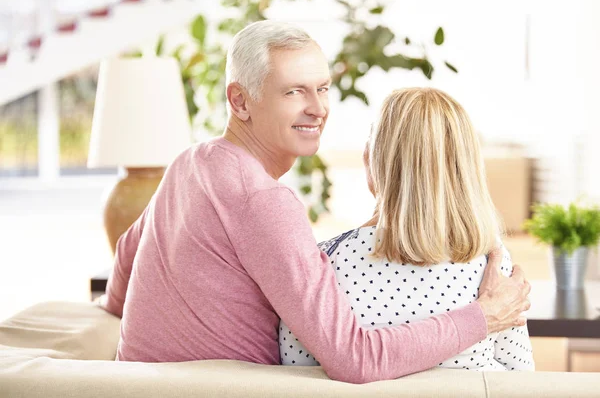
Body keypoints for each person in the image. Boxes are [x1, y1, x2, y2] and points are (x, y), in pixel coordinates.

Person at [101, 20, 531, 384]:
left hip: (135, 385)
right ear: (239, 101)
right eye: (294, 92)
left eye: (322, 88)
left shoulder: (190, 162)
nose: (318, 109)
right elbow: (354, 358)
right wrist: (483, 317)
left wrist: (122, 322)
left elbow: (125, 258)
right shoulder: (264, 201)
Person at [279, 88, 535, 371]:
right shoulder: (492, 265)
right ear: (468, 169)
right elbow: (520, 377)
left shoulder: (325, 263)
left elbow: (297, 372)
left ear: (371, 160)